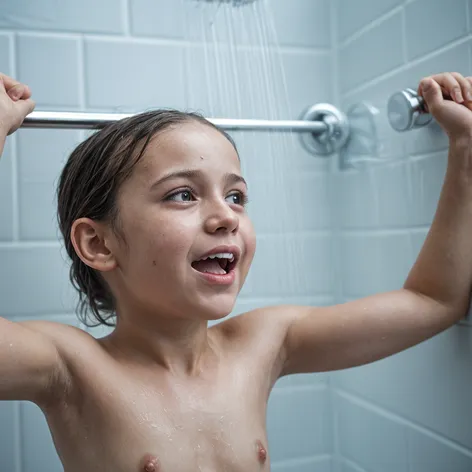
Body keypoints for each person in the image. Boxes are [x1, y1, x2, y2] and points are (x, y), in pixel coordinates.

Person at [0, 71, 471, 472]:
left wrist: (466, 147)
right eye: (182, 194)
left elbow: (432, 302)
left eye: (236, 196)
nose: (226, 216)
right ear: (98, 243)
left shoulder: (263, 344)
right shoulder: (71, 368)